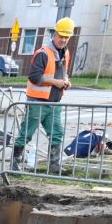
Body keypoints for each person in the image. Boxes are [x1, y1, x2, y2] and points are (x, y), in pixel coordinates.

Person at [13, 18, 76, 174]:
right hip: (37, 102)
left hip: (54, 101)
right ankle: (15, 163)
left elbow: (63, 72)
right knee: (26, 133)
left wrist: (66, 81)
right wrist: (56, 82)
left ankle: (54, 164)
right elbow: (35, 77)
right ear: (54, 34)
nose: (63, 40)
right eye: (61, 36)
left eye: (66, 37)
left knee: (57, 133)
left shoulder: (65, 53)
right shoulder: (43, 53)